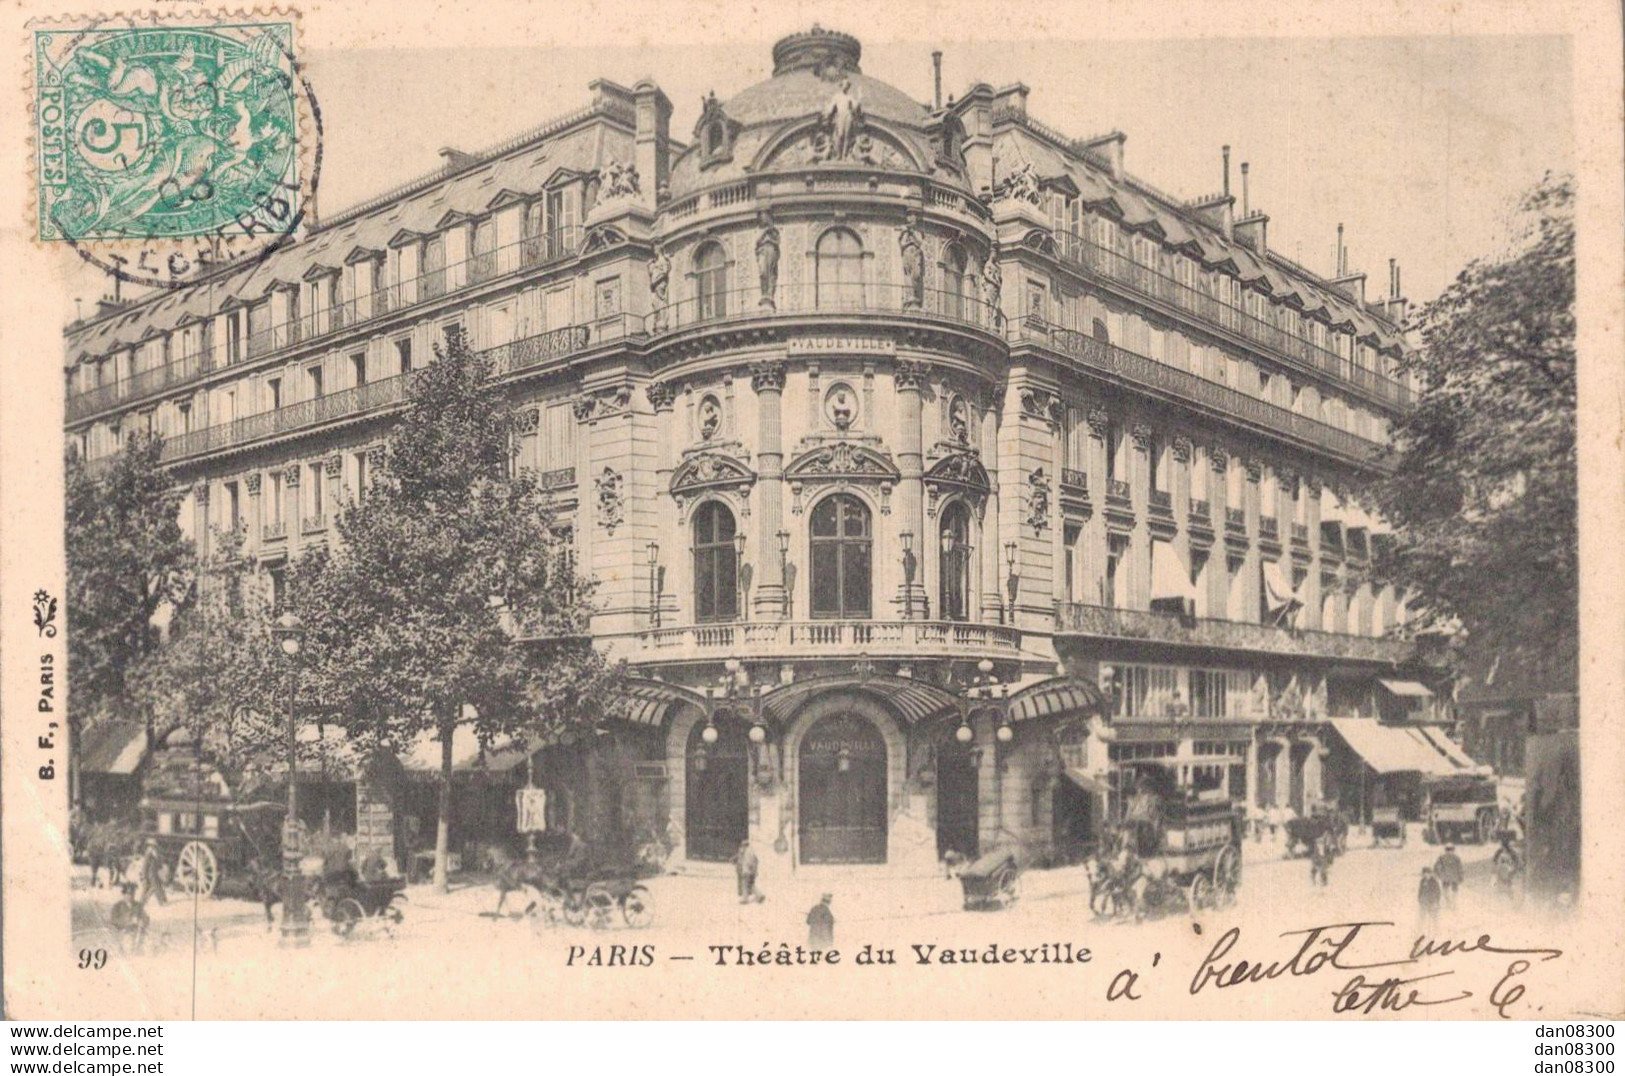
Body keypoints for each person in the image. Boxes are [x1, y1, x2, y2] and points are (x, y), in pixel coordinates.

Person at [137, 838, 167, 907]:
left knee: (156, 887)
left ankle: (162, 900)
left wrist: (161, 866)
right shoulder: (148, 855)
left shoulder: (155, 854)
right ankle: (160, 902)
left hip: (154, 874)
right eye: (151, 846)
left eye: (153, 846)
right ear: (148, 847)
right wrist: (144, 876)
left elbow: (158, 864)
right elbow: (145, 866)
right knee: (152, 887)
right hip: (149, 875)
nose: (152, 848)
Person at [733, 839, 763, 904]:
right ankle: (759, 895)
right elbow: (756, 860)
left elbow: (740, 859)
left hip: (746, 871)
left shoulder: (745, 852)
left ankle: (745, 899)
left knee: (744, 885)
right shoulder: (752, 851)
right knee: (751, 885)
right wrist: (755, 870)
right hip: (752, 872)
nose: (742, 846)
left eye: (743, 845)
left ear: (745, 845)